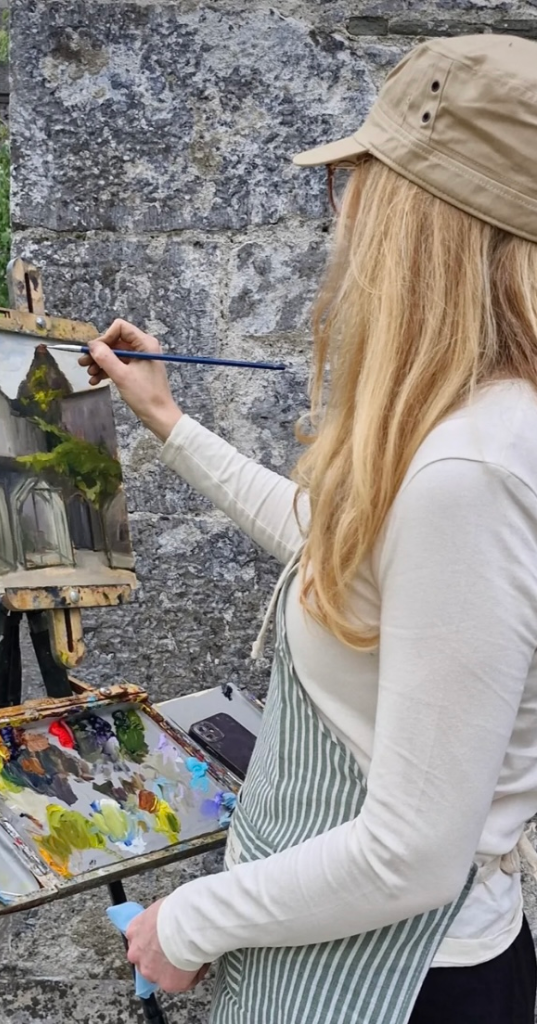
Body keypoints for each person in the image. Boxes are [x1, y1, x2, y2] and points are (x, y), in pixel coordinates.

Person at [79, 34, 537, 1024]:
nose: (342, 215)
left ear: (417, 221)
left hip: (400, 981)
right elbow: (344, 551)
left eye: (356, 183)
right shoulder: (480, 425)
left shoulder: (470, 469)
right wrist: (168, 422)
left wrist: (185, 923)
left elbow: (410, 854)